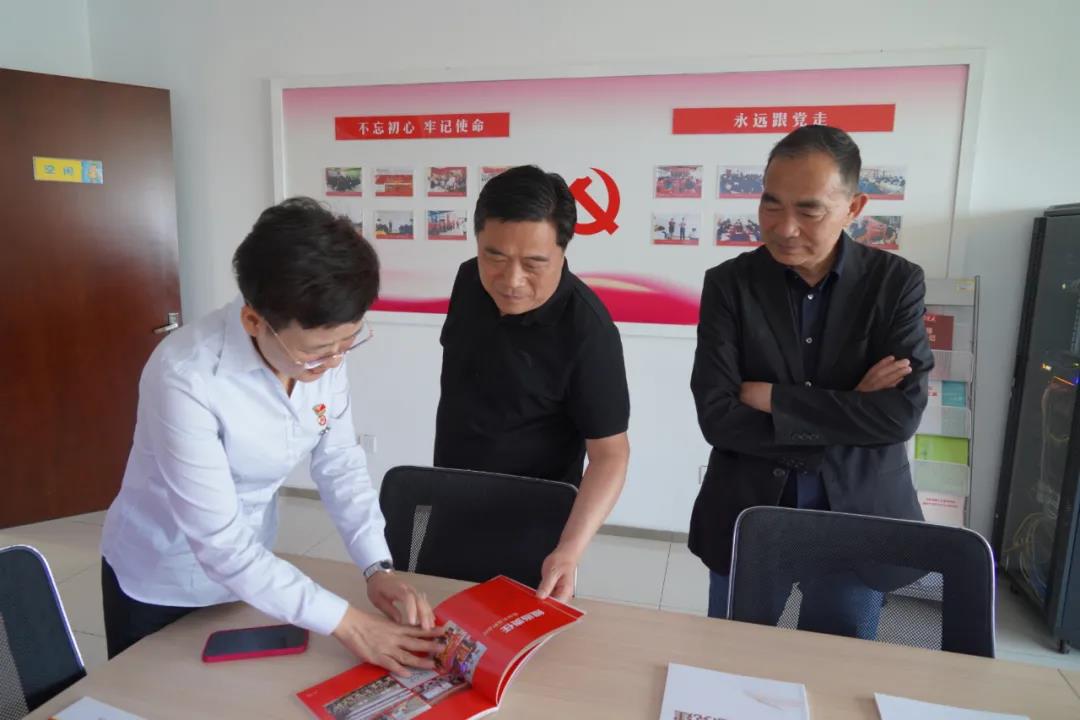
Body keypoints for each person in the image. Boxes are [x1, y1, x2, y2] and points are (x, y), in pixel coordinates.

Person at [100, 197, 442, 674]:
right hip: (165, 577)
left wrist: (376, 568)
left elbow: (339, 463)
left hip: (253, 575)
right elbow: (220, 543)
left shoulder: (320, 353)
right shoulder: (186, 376)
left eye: (348, 342)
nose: (334, 362)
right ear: (253, 321)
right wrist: (351, 625)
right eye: (318, 350)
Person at [689, 126, 932, 635]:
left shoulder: (895, 283)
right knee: (731, 656)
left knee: (838, 666)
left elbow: (898, 415)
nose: (784, 227)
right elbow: (718, 417)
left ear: (853, 207)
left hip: (857, 516)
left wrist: (773, 399)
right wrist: (851, 406)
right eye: (771, 204)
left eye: (809, 210)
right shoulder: (730, 284)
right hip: (750, 512)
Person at [434, 165, 631, 603]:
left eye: (534, 263)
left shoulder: (588, 331)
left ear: (562, 251)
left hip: (534, 525)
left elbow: (611, 455)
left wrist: (570, 550)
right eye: (495, 257)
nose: (511, 281)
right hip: (451, 499)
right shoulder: (469, 281)